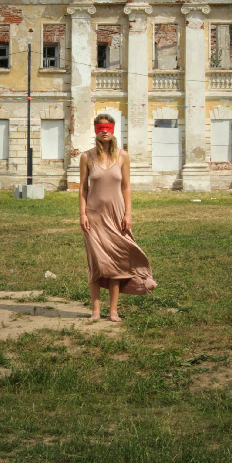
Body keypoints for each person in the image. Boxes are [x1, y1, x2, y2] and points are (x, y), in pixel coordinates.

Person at [79, 113, 156, 321]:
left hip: (116, 217)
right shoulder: (87, 156)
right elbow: (83, 189)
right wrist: (82, 214)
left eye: (108, 128)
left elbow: (126, 187)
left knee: (115, 263)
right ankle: (95, 310)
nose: (104, 131)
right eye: (100, 127)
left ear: (113, 131)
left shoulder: (122, 156)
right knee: (96, 263)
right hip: (93, 218)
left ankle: (113, 311)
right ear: (96, 130)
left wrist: (128, 213)